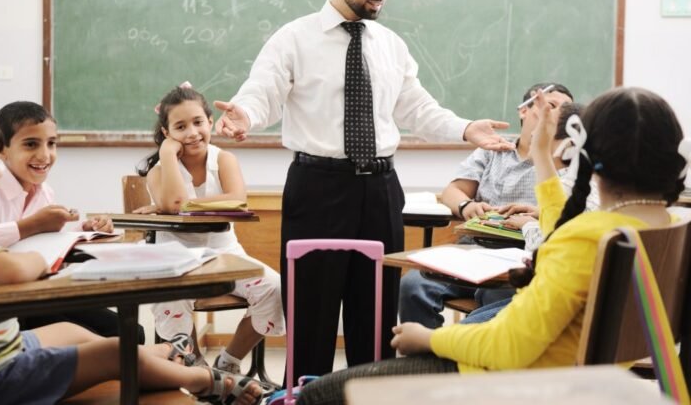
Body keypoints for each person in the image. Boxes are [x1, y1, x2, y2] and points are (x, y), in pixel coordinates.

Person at [213, 0, 513, 379]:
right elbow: (264, 94)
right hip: (317, 187)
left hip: (379, 190)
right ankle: (307, 393)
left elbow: (417, 108)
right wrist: (245, 115)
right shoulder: (294, 38)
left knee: (373, 317)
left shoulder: (390, 44)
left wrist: (466, 128)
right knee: (310, 316)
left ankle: (368, 393)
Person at [294, 86, 688, 405]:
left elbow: (510, 346)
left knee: (317, 394)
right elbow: (563, 234)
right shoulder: (667, 226)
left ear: (583, 152)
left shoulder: (587, 237)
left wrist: (428, 337)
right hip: (577, 379)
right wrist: (542, 161)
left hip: (517, 381)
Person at [0, 96, 263, 405]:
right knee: (115, 352)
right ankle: (204, 380)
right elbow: (14, 270)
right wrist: (39, 251)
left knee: (74, 331)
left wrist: (71, 233)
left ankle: (163, 352)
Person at [135, 83, 285, 375]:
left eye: (198, 122)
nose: (192, 132)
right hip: (176, 258)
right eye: (180, 126)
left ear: (211, 122)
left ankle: (229, 361)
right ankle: (196, 368)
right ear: (167, 134)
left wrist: (182, 205)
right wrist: (167, 155)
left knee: (276, 289)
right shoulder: (158, 170)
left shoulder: (223, 159)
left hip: (224, 255)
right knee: (171, 296)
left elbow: (236, 198)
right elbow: (175, 202)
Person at [399, 83, 574, 328]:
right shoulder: (493, 150)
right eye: (549, 105)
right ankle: (423, 362)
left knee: (492, 301)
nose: (553, 114)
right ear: (524, 111)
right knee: (413, 285)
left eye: (563, 111)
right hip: (473, 249)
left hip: (522, 254)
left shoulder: (563, 161)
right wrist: (466, 205)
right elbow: (453, 191)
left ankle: (458, 351)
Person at [0, 101, 137, 341]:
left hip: (37, 293)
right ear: (1, 149)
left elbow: (45, 244)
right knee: (101, 340)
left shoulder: (44, 192)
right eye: (31, 144)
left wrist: (83, 230)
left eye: (52, 144)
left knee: (130, 331)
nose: (45, 155)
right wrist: (30, 226)